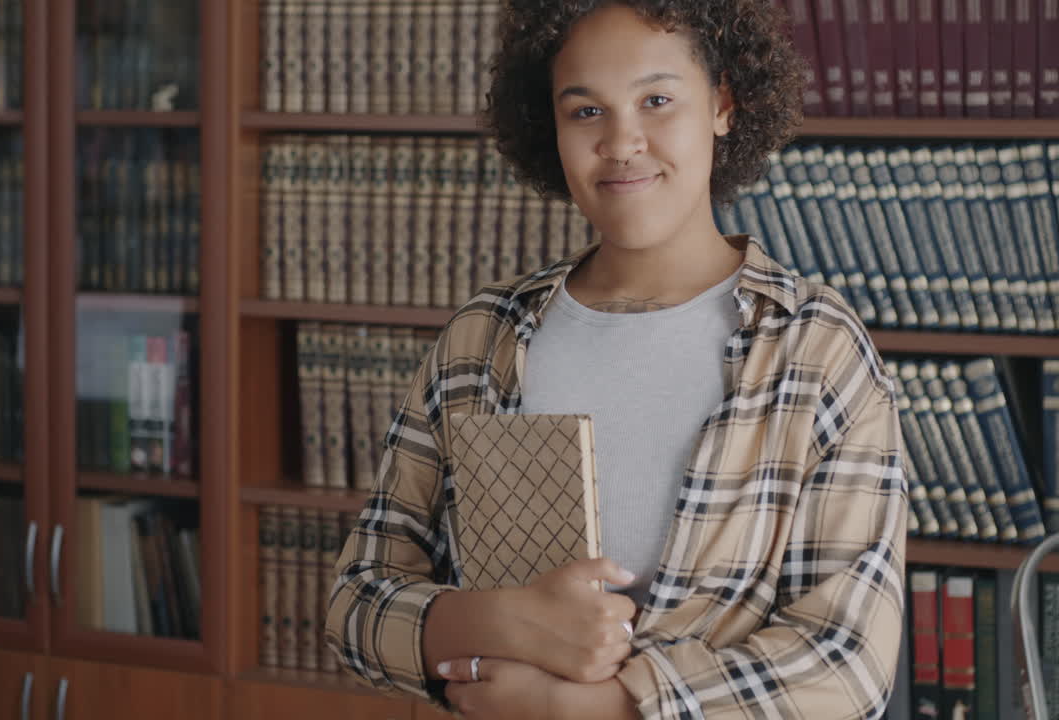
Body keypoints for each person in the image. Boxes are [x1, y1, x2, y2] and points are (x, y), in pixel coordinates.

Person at [324, 1, 908, 718]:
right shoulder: (483, 339)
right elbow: (355, 600)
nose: (623, 142)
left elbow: (850, 662)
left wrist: (590, 709)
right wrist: (497, 621)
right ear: (551, 126)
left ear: (723, 103)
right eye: (585, 112)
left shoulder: (813, 346)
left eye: (657, 101)